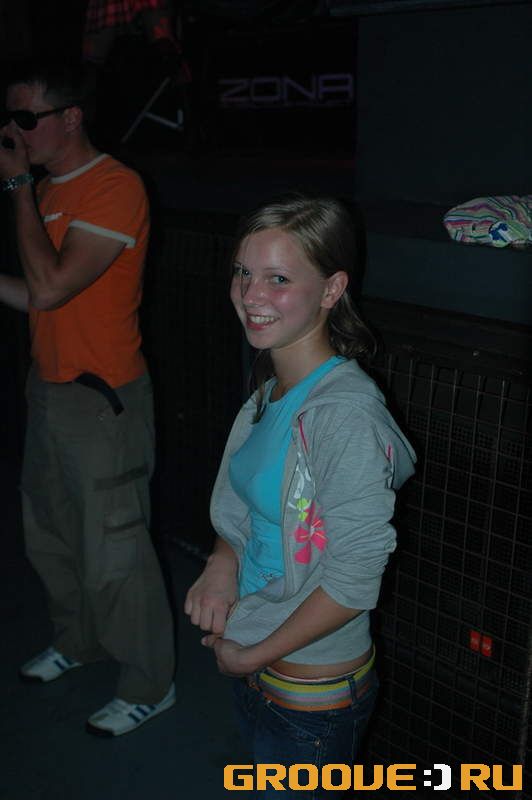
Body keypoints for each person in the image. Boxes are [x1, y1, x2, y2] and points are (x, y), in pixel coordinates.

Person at [185, 193, 416, 794]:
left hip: (310, 693)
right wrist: (222, 559)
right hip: (263, 661)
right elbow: (252, 507)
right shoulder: (274, 386)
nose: (250, 294)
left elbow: (356, 578)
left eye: (278, 279)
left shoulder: (343, 415)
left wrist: (252, 656)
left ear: (332, 289)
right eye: (243, 272)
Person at [0, 59, 175, 736]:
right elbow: (37, 298)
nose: (14, 132)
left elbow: (50, 287)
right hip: (47, 387)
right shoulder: (48, 191)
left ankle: (150, 682)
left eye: (26, 118)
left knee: (116, 550)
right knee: (49, 532)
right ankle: (79, 641)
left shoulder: (114, 186)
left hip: (103, 399)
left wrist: (17, 186)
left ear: (70, 117)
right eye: (10, 118)